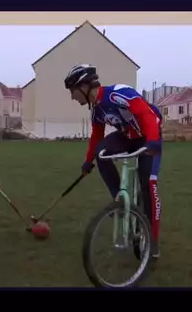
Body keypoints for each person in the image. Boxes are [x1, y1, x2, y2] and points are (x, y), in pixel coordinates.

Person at [64, 64, 163, 259]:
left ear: (84, 87)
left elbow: (147, 115)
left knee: (148, 185)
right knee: (101, 151)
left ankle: (152, 240)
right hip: (128, 137)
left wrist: (152, 141)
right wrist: (88, 161)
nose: (72, 97)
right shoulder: (96, 110)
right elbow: (96, 136)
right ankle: (119, 198)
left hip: (149, 137)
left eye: (73, 92)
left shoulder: (118, 94)